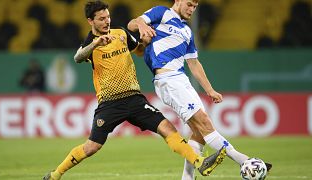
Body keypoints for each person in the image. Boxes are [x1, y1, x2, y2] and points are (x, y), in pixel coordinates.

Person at [43, 1, 227, 179]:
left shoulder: (120, 33)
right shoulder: (91, 42)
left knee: (167, 128)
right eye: (101, 19)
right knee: (91, 147)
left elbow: (137, 50)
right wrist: (95, 44)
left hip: (134, 99)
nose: (107, 21)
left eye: (108, 17)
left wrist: (144, 43)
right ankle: (56, 174)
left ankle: (199, 162)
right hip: (110, 103)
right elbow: (77, 57)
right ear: (90, 21)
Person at [127, 0, 273, 179]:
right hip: (168, 79)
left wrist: (210, 90)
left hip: (181, 79)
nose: (192, 9)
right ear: (178, 1)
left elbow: (194, 63)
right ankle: (245, 161)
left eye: (195, 7)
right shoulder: (162, 13)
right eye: (189, 4)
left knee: (199, 133)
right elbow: (132, 23)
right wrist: (142, 25)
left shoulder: (187, 31)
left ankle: (187, 178)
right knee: (204, 123)